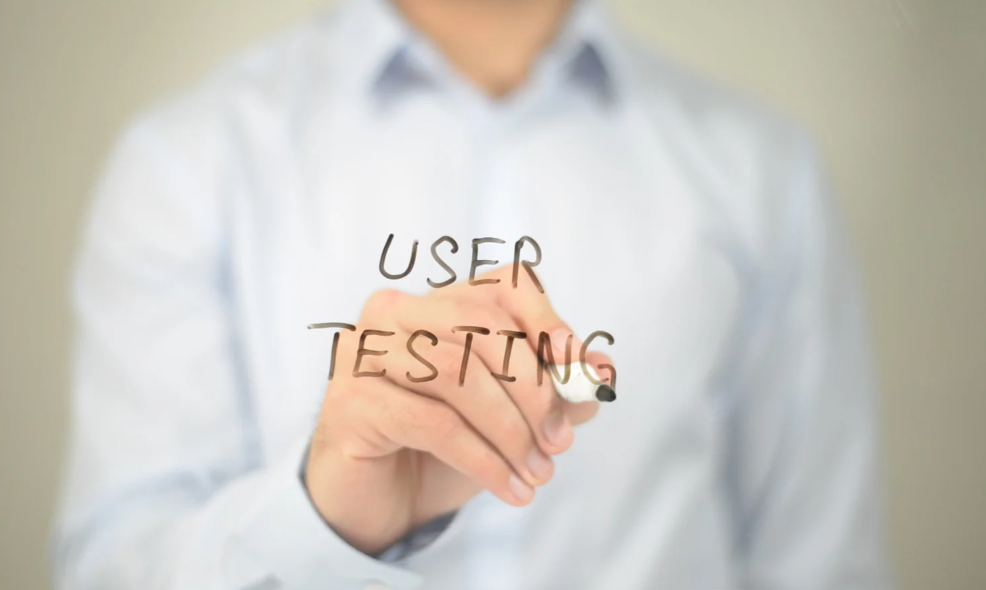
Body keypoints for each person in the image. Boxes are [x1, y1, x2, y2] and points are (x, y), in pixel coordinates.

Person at [51, 0, 894, 588]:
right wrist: (324, 519)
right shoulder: (187, 162)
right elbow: (116, 568)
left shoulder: (764, 175)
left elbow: (818, 567)